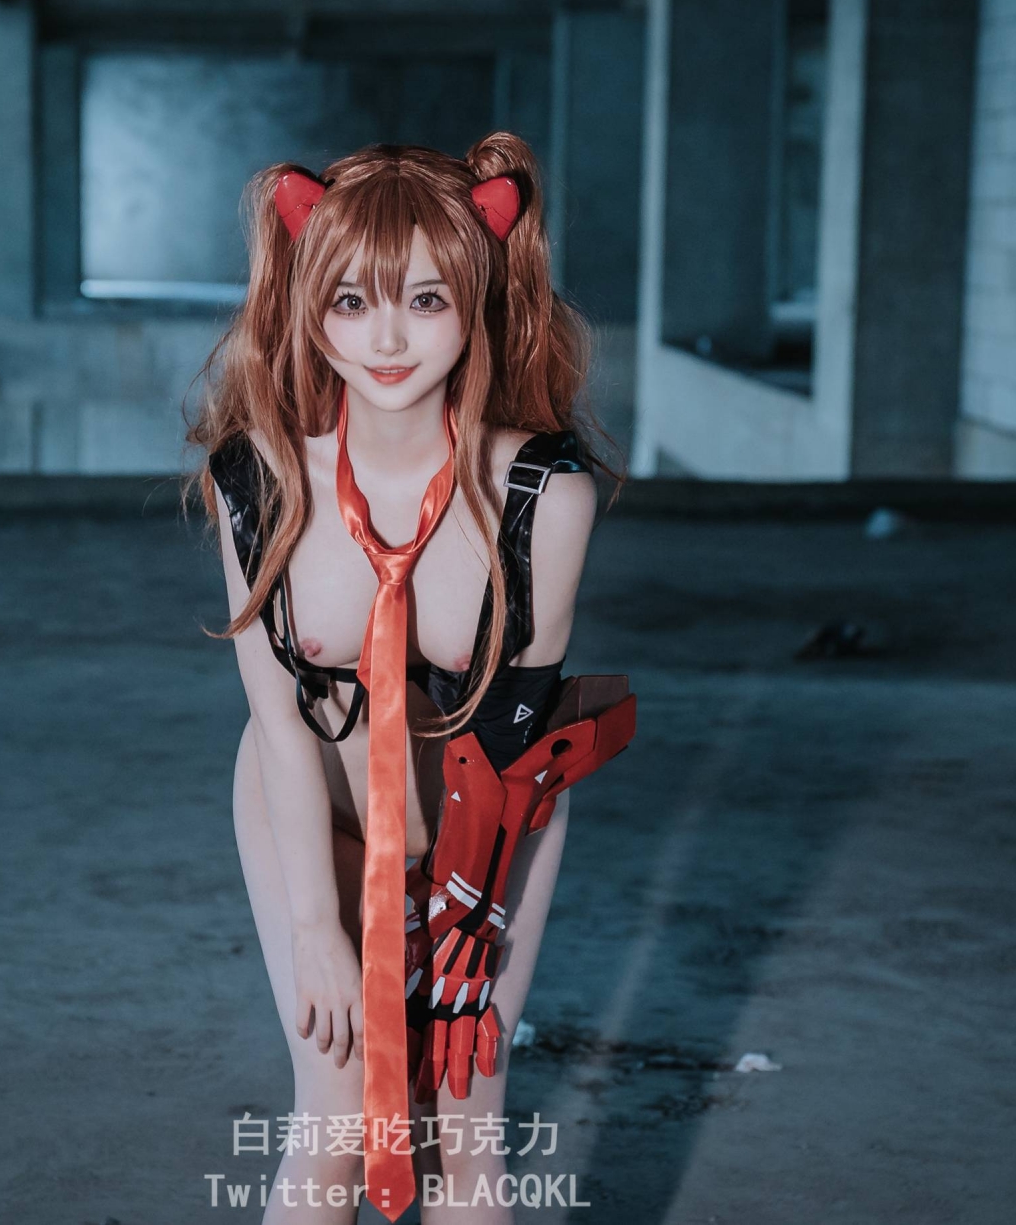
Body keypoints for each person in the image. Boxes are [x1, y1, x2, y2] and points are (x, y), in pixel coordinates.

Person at [190, 132, 635, 1224]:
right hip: (310, 807)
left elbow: (516, 735)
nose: (385, 339)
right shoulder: (256, 479)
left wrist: (463, 929)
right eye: (350, 301)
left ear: (475, 299)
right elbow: (278, 723)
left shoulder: (544, 496)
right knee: (336, 1123)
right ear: (308, 305)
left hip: (495, 821)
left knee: (463, 1129)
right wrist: (317, 928)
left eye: (425, 300)